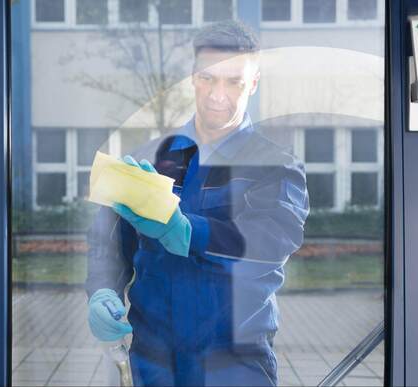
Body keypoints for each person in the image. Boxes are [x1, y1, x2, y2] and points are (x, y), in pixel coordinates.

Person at [85, 20, 309, 386]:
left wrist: (188, 231)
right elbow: (109, 244)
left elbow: (271, 239)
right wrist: (103, 291)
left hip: (235, 361)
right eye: (208, 78)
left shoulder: (275, 167)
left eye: (233, 81)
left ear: (252, 84)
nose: (217, 94)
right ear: (192, 77)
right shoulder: (150, 160)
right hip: (154, 361)